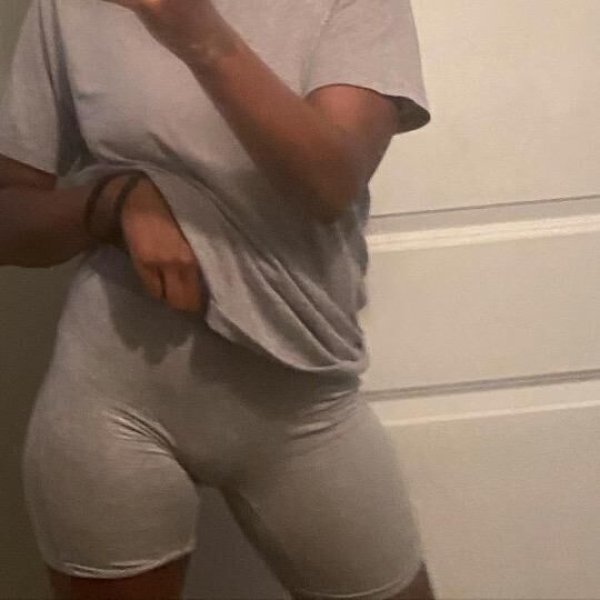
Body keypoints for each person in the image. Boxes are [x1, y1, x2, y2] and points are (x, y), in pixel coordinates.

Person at [0, 0, 435, 598]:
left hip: (302, 403)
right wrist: (111, 203)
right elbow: (11, 214)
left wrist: (199, 33)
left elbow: (330, 182)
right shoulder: (68, 7)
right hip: (113, 399)